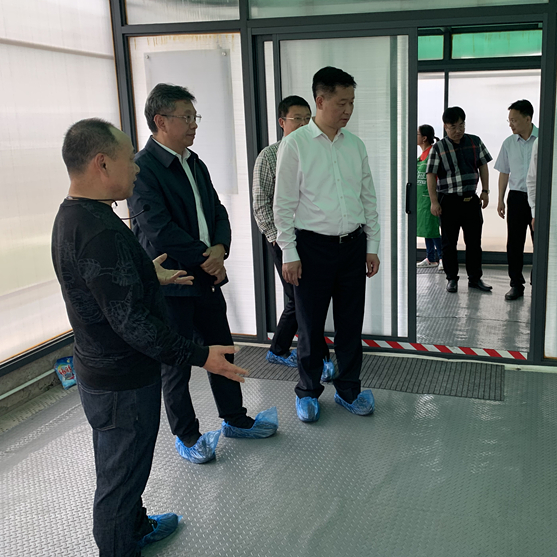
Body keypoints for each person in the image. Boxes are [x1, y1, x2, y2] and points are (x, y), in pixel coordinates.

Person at [51, 119, 249, 556]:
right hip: (120, 379)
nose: (137, 168)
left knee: (126, 465)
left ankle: (136, 526)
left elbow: (102, 289)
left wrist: (146, 274)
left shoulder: (76, 215)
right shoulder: (99, 232)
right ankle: (119, 544)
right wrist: (202, 356)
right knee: (119, 479)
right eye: (129, 159)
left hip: (101, 368)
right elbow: (134, 324)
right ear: (102, 164)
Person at [127, 83, 277, 465]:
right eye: (187, 117)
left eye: (195, 117)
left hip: (207, 278)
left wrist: (220, 249)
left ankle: (235, 419)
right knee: (176, 363)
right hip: (172, 284)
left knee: (220, 348)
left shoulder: (194, 162)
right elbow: (158, 230)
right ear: (161, 121)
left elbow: (218, 211)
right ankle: (187, 435)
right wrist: (204, 257)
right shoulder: (142, 169)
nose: (194, 124)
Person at [274, 66, 381, 422]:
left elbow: (368, 197)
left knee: (350, 323)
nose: (348, 110)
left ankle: (349, 390)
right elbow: (283, 205)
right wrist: (289, 252)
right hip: (311, 249)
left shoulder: (355, 145)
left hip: (352, 246)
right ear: (320, 101)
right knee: (310, 325)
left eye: (351, 103)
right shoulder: (295, 145)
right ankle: (307, 391)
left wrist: (372, 245)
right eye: (341, 103)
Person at [252, 95, 335, 381]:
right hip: (283, 239)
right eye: (296, 118)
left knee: (300, 298)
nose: (302, 124)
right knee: (301, 299)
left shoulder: (316, 152)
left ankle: (278, 348)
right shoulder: (270, 156)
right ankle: (318, 357)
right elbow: (261, 203)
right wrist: (278, 240)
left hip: (313, 239)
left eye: (306, 118)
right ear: (281, 122)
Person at [426, 106, 493, 294]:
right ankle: (451, 279)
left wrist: (485, 191)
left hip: (471, 201)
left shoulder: (475, 141)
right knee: (449, 243)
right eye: (453, 127)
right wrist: (434, 201)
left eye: (461, 125)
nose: (458, 130)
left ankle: (475, 278)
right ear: (445, 127)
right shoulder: (438, 148)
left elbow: (483, 166)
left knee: (474, 242)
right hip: (449, 202)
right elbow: (431, 175)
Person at [494, 100, 539, 300]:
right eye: (509, 120)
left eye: (514, 120)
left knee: (540, 242)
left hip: (540, 197)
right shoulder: (508, 143)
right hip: (517, 197)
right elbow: (504, 172)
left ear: (528, 119)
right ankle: (516, 284)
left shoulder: (544, 139)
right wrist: (500, 199)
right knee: (514, 243)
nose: (511, 124)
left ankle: (539, 282)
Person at [416, 124, 443, 271]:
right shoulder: (422, 155)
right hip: (421, 198)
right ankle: (430, 257)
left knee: (433, 228)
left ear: (424, 138)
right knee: (426, 227)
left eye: (417, 134)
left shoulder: (432, 153)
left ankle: (442, 257)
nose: (415, 136)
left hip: (431, 197)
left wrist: (434, 200)